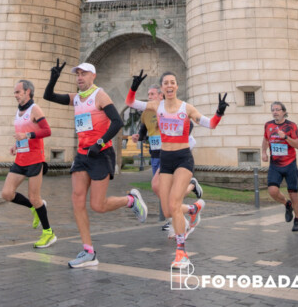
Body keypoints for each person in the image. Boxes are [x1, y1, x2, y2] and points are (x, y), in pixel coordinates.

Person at [44, 60, 148, 268]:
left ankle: (130, 200)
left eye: (83, 74)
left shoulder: (100, 95)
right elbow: (49, 96)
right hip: (82, 155)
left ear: (93, 76)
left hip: (101, 154)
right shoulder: (76, 98)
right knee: (77, 200)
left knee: (98, 206)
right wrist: (53, 78)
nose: (79, 77)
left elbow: (117, 122)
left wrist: (99, 143)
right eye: (77, 74)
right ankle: (88, 251)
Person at [126, 69, 227, 268]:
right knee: (167, 210)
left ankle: (181, 253)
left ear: (177, 86)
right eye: (166, 83)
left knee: (174, 204)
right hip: (166, 159)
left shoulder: (186, 108)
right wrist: (134, 87)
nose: (170, 85)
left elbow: (210, 124)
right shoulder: (156, 106)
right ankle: (194, 208)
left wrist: (219, 113)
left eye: (173, 82)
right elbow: (130, 102)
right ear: (162, 88)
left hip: (183, 159)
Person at [131, 84, 203, 235]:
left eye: (152, 94)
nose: (149, 97)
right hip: (155, 156)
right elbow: (144, 132)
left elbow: (189, 124)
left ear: (160, 95)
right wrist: (138, 137)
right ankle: (190, 207)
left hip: (170, 155)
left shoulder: (170, 109)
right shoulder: (146, 113)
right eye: (148, 95)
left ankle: (180, 222)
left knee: (158, 187)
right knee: (163, 192)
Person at [1, 80, 56, 249]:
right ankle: (35, 207)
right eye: (15, 92)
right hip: (21, 159)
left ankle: (48, 233)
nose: (15, 95)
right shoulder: (18, 111)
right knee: (7, 194)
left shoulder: (35, 109)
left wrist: (27, 135)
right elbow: (21, 134)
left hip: (35, 159)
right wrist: (16, 145)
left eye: (18, 92)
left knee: (34, 197)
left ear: (27, 92)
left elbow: (47, 131)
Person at [261, 101, 298, 232]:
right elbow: (265, 139)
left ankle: (297, 219)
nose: (275, 112)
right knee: (272, 191)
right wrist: (264, 152)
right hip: (275, 165)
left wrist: (285, 137)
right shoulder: (268, 125)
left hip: (290, 164)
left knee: (293, 194)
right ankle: (286, 204)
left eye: (277, 109)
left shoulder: (291, 126)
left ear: (284, 112)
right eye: (273, 110)